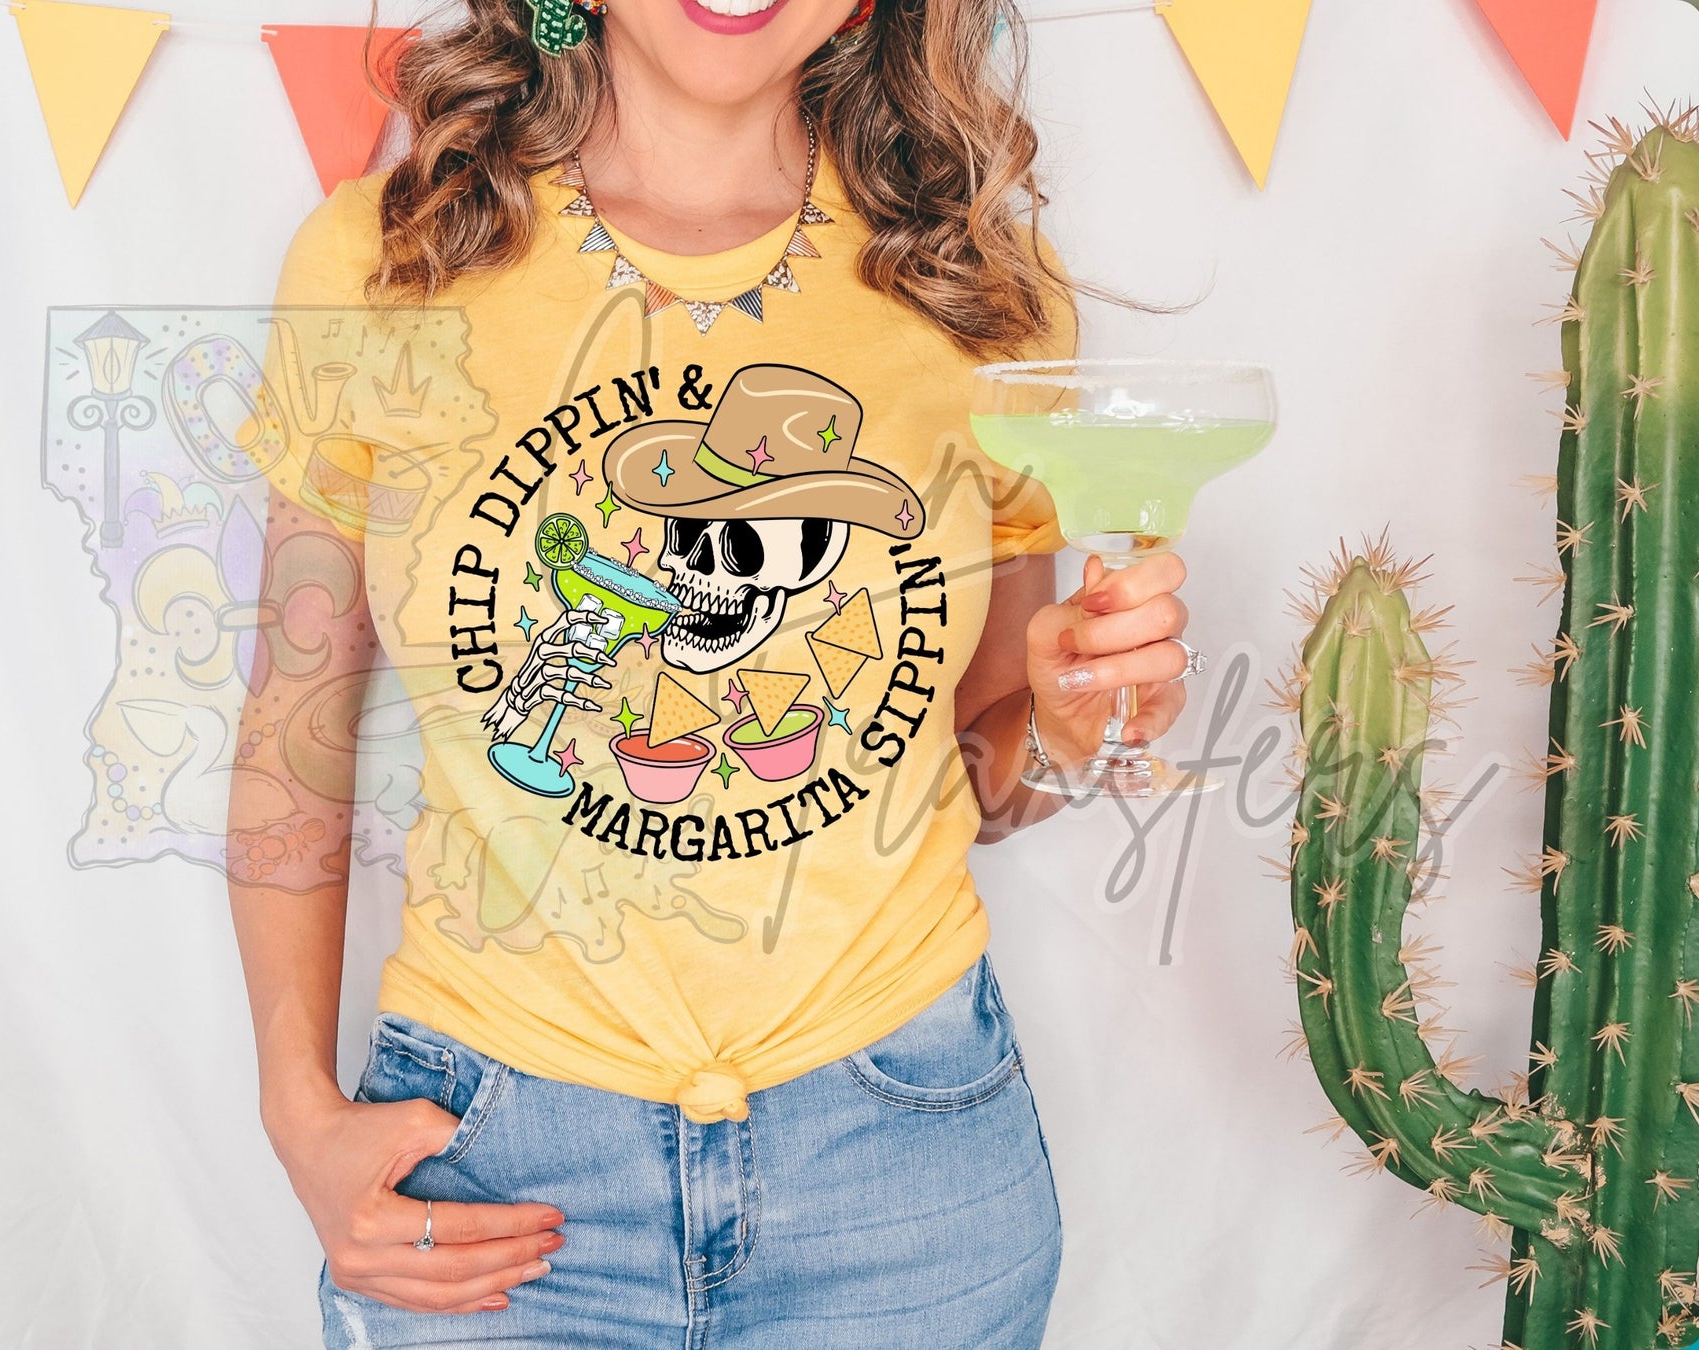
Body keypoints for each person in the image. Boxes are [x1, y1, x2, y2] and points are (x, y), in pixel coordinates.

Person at [225, 0, 1192, 1341]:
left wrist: (1074, 724)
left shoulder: (974, 284)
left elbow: (986, 776)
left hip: (902, 1177)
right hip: (493, 1162)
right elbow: (294, 722)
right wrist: (297, 1110)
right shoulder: (390, 256)